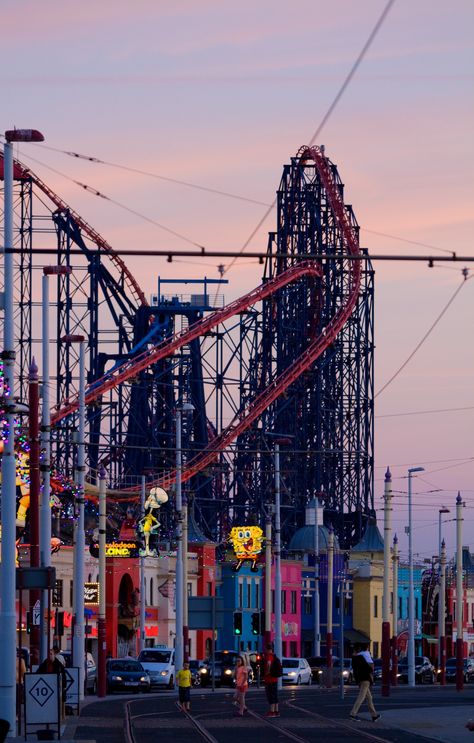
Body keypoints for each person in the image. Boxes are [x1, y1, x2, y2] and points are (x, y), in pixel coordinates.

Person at [350, 643, 380, 722]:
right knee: (361, 697)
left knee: (369, 698)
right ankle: (353, 713)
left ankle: (374, 715)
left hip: (359, 679)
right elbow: (370, 668)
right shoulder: (363, 656)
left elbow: (354, 670)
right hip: (365, 678)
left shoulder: (354, 658)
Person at [38, 649, 67, 720]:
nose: (49, 656)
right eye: (48, 654)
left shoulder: (59, 664)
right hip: (46, 686)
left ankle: (61, 715)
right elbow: (38, 672)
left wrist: (63, 686)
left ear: (54, 655)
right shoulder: (45, 663)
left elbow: (63, 676)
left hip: (57, 686)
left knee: (61, 697)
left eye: (51, 654)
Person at [263, 644, 280, 718]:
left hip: (269, 679)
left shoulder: (269, 656)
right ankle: (276, 711)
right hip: (275, 678)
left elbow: (269, 664)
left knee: (271, 696)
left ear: (267, 649)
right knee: (275, 695)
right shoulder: (275, 656)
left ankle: (272, 711)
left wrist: (267, 672)